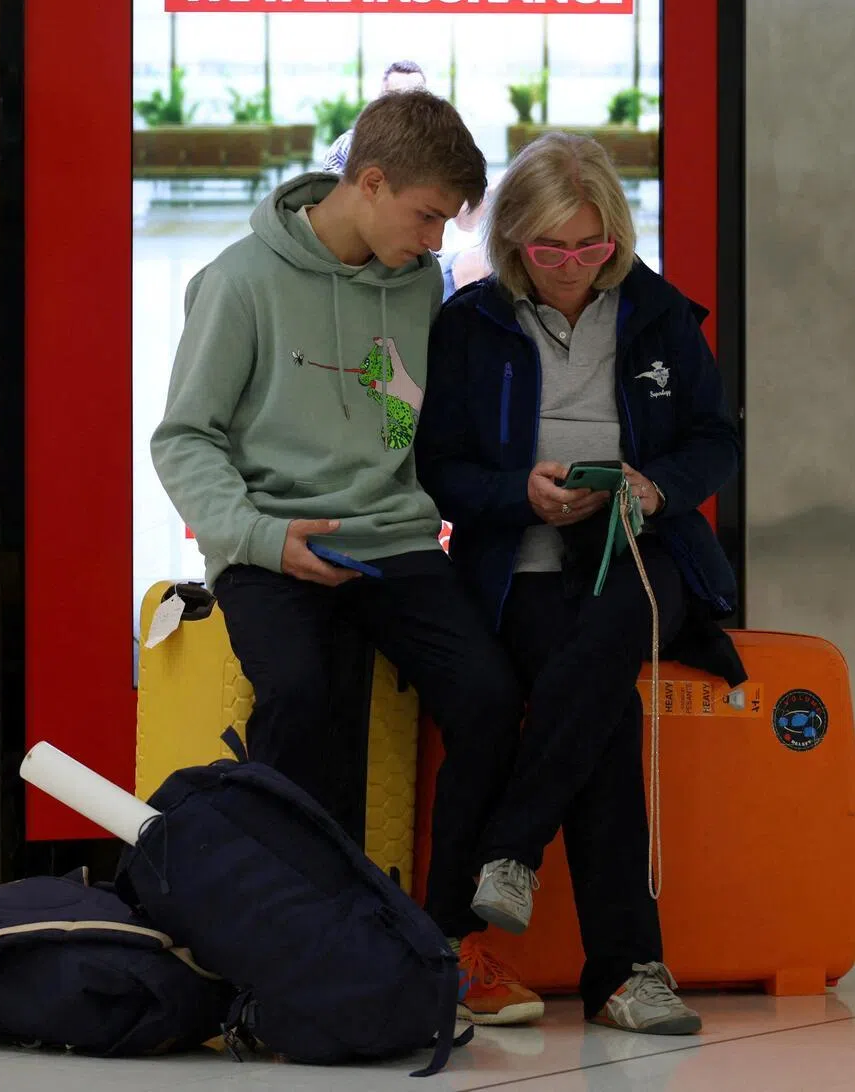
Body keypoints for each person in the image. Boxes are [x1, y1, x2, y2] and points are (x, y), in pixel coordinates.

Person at [152, 90, 544, 1025]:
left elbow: (421, 424)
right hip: (271, 540)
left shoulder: (419, 282)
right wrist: (257, 538)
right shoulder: (238, 281)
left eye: (447, 221)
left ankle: (446, 942)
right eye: (425, 215)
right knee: (301, 696)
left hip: (393, 542)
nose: (435, 238)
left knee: (490, 698)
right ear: (368, 183)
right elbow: (183, 441)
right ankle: (292, 945)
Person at [416, 132, 744, 1036]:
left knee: (605, 645)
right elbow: (438, 466)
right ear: (515, 239)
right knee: (606, 711)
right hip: (521, 563)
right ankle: (629, 973)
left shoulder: (660, 313)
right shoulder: (469, 324)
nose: (570, 268)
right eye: (550, 249)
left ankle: (511, 849)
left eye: (592, 248)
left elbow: (715, 440)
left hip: (649, 552)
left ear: (618, 238)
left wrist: (655, 485)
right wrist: (518, 495)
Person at [322, 61, 426, 175]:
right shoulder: (348, 146)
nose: (407, 106)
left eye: (416, 98)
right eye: (397, 97)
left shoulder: (443, 148)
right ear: (380, 101)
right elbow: (329, 188)